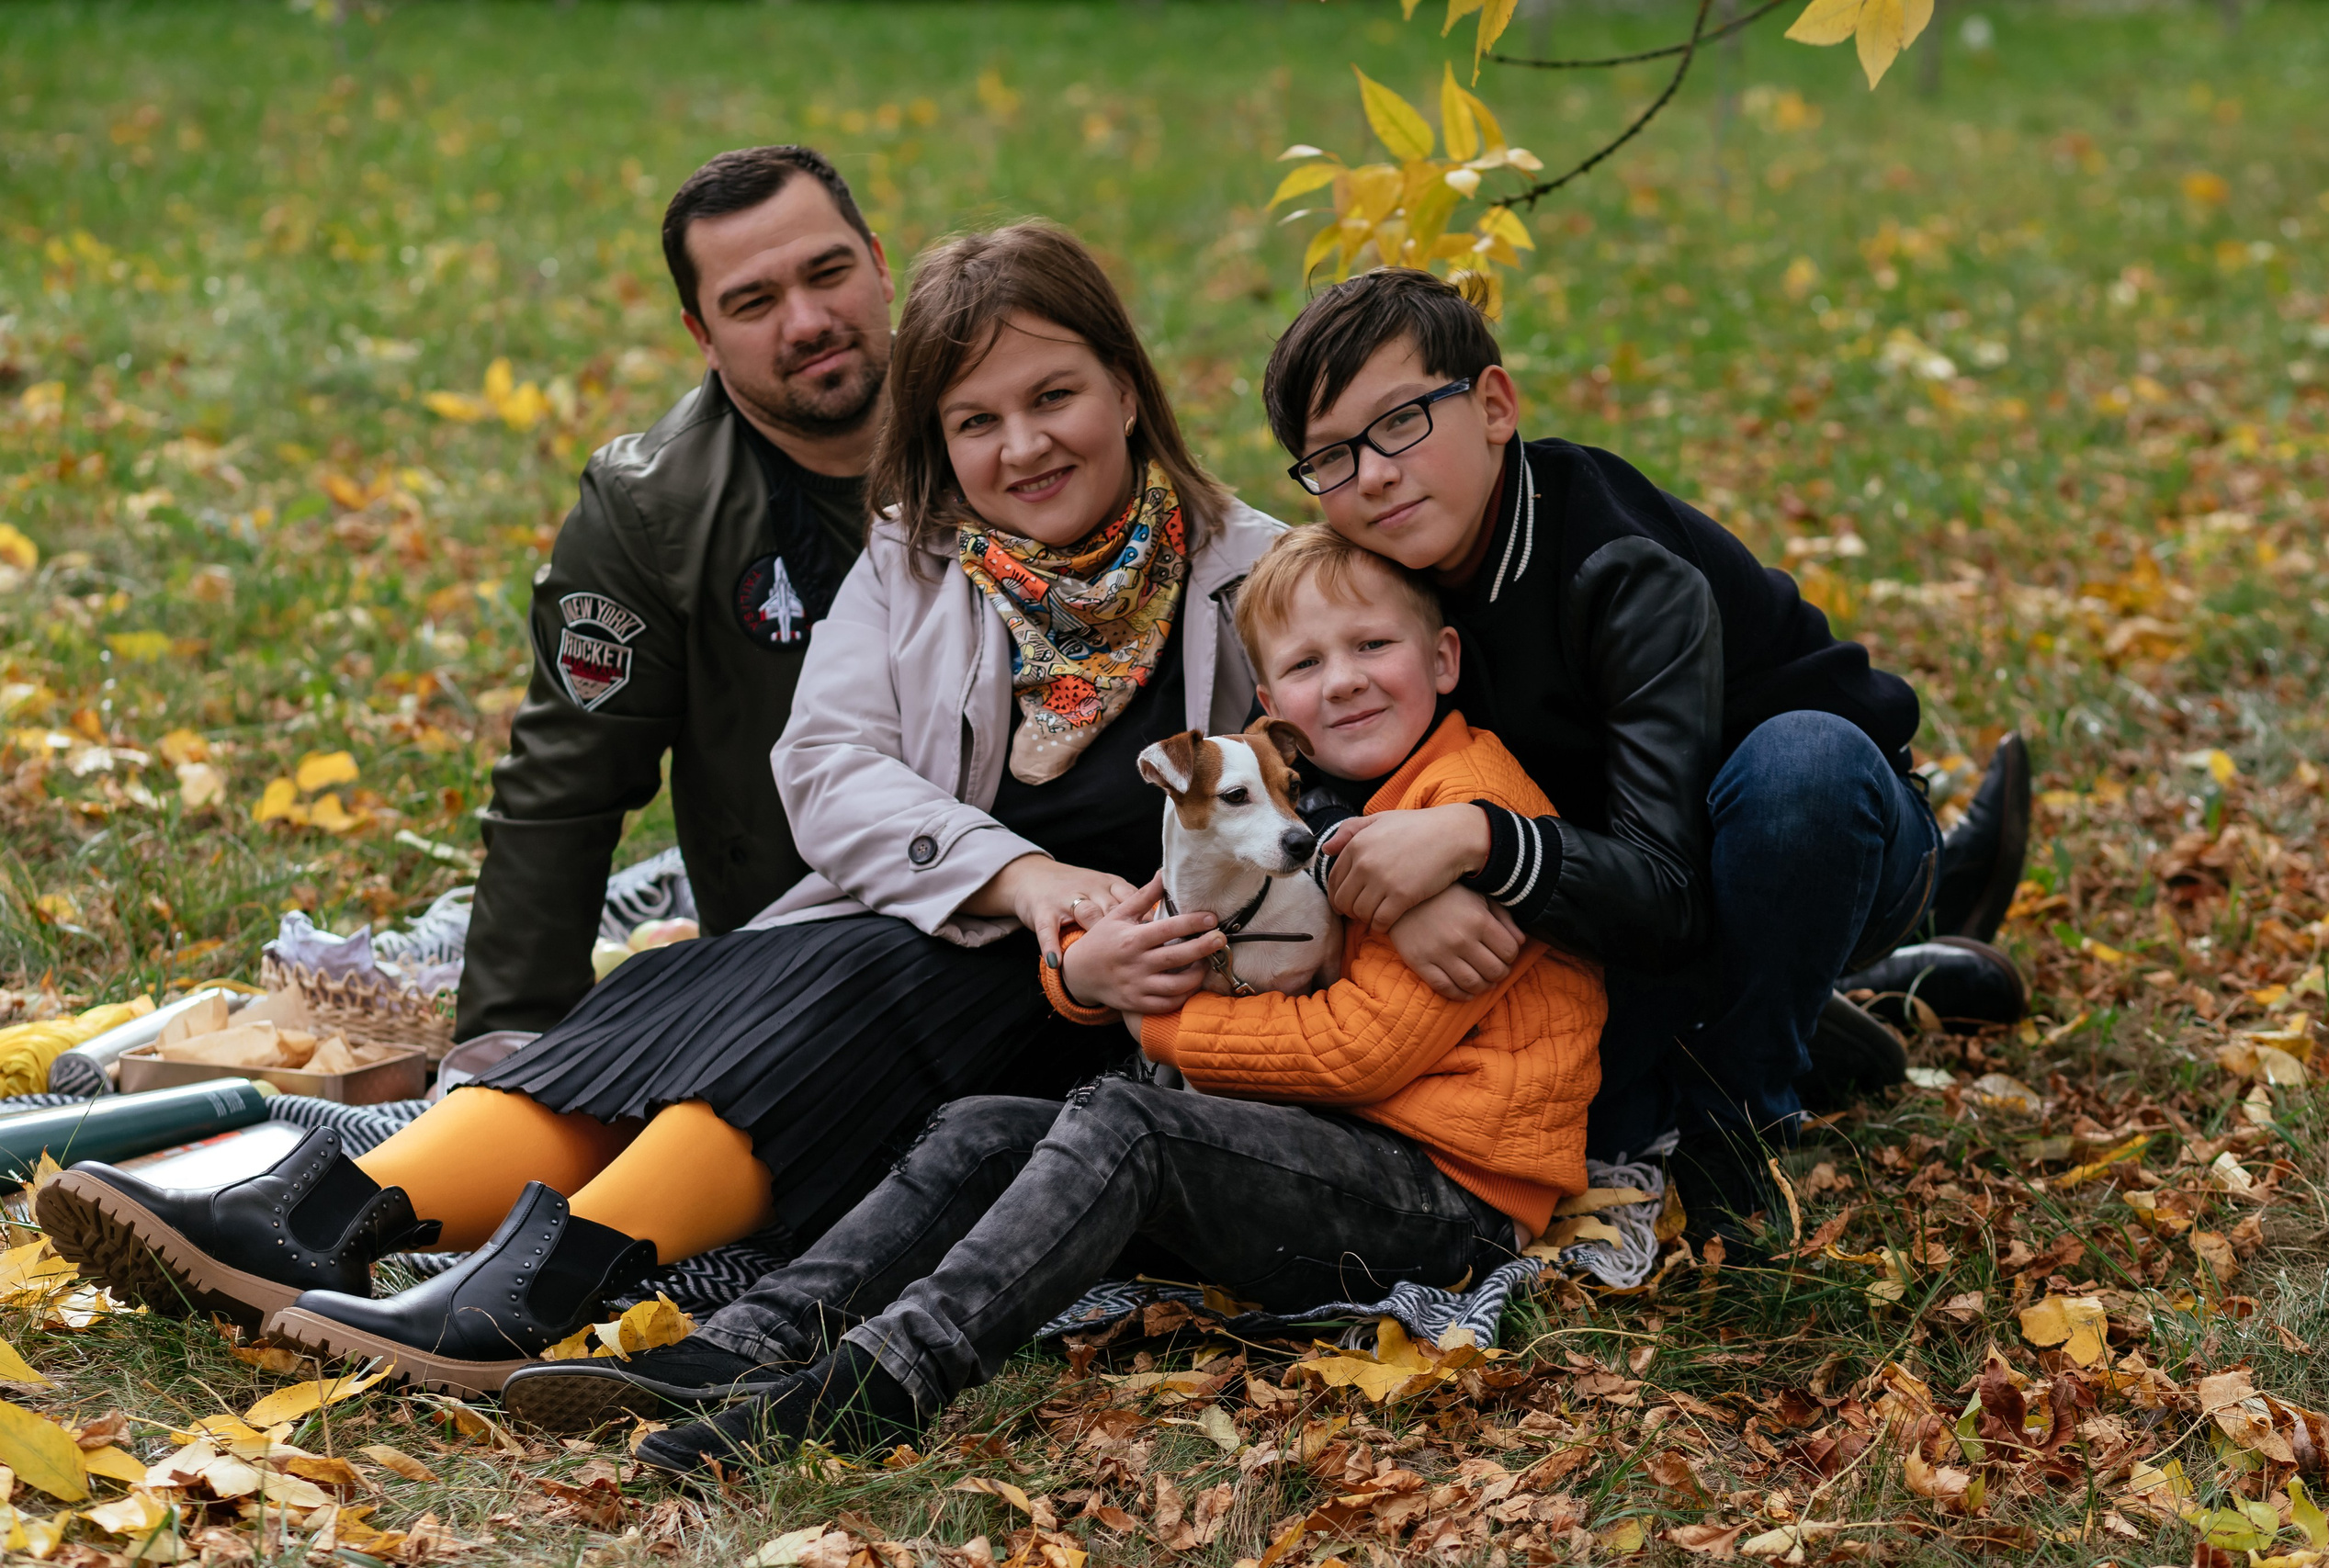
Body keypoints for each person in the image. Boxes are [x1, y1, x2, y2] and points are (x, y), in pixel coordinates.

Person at [38, 222, 1318, 1396]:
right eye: (976, 420)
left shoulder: (1253, 575)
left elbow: (1326, 820)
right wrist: (1026, 884)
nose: (1024, 446)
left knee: (866, 982)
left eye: (1054, 397)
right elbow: (828, 767)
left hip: (1106, 1022)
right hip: (941, 932)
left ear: (1127, 386)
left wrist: (1124, 952)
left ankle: (534, 1287)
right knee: (684, 987)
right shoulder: (918, 560)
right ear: (936, 440)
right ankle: (324, 1212)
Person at [498, 525, 1606, 1470]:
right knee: (987, 1131)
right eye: (1309, 664)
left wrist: (1161, 1023)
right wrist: (1089, 983)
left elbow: (1361, 1052)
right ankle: (748, 1338)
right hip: (1307, 1157)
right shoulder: (1305, 799)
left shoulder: (1467, 803)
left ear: (1445, 657)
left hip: (1445, 1196)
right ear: (1269, 705)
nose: (1347, 679)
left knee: (1124, 1119)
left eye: (1374, 646)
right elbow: (1185, 921)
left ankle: (880, 1380)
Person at [1256, 268, 2028, 1250]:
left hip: (1808, 842)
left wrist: (1474, 842)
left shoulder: (1615, 566)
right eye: (1330, 456)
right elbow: (1289, 761)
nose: (1372, 474)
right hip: (1593, 906)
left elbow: (1667, 890)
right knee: (1568, 1101)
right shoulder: (1371, 577)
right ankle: (1829, 1016)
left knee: (1801, 767)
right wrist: (1372, 872)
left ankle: (1736, 1118)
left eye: (1402, 421)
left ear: (1494, 407)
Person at [458, 144, 895, 1041]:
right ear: (701, 334)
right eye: (754, 303)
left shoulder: (1016, 424)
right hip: (803, 971)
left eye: (829, 273)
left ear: (881, 264)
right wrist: (498, 1047)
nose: (808, 321)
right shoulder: (652, 513)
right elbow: (564, 792)